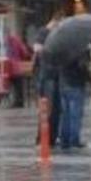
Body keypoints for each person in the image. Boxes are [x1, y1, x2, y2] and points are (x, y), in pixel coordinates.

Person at [33, 13, 64, 148]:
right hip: (46, 77)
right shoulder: (44, 32)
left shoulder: (57, 36)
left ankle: (52, 137)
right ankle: (42, 138)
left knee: (57, 109)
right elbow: (37, 49)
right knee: (48, 109)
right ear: (54, 22)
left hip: (55, 76)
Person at [58, 50, 91, 150]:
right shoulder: (79, 50)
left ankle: (64, 140)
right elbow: (82, 67)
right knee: (75, 115)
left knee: (66, 115)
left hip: (63, 84)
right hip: (76, 84)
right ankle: (74, 140)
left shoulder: (61, 49)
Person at [4, 31, 32, 108]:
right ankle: (19, 102)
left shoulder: (6, 42)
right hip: (16, 67)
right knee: (18, 86)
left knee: (10, 85)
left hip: (6, 67)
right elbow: (25, 53)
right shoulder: (17, 41)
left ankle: (12, 101)